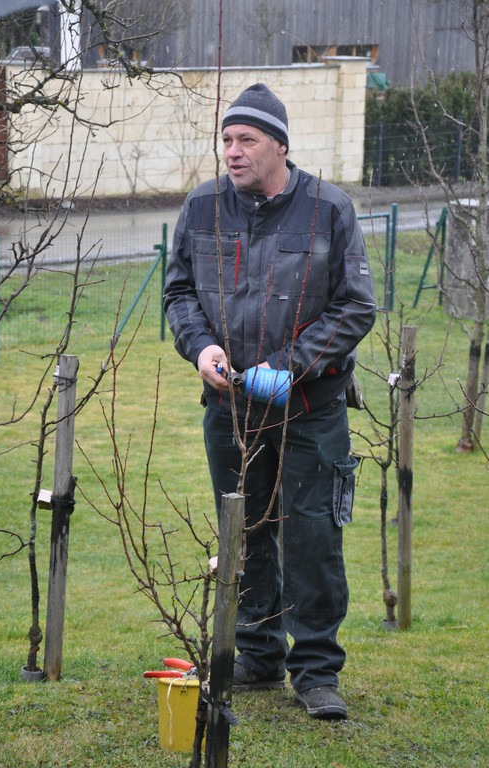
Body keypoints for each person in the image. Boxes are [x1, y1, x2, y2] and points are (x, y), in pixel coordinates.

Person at [163, 83, 376, 720]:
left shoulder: (329, 209)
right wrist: (200, 347)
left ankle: (316, 671)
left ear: (280, 145)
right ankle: (256, 655)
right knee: (245, 532)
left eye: (247, 140)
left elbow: (355, 306)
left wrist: (286, 369)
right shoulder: (202, 207)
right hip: (230, 410)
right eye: (226, 139)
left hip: (311, 410)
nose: (232, 151)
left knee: (312, 536)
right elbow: (179, 292)